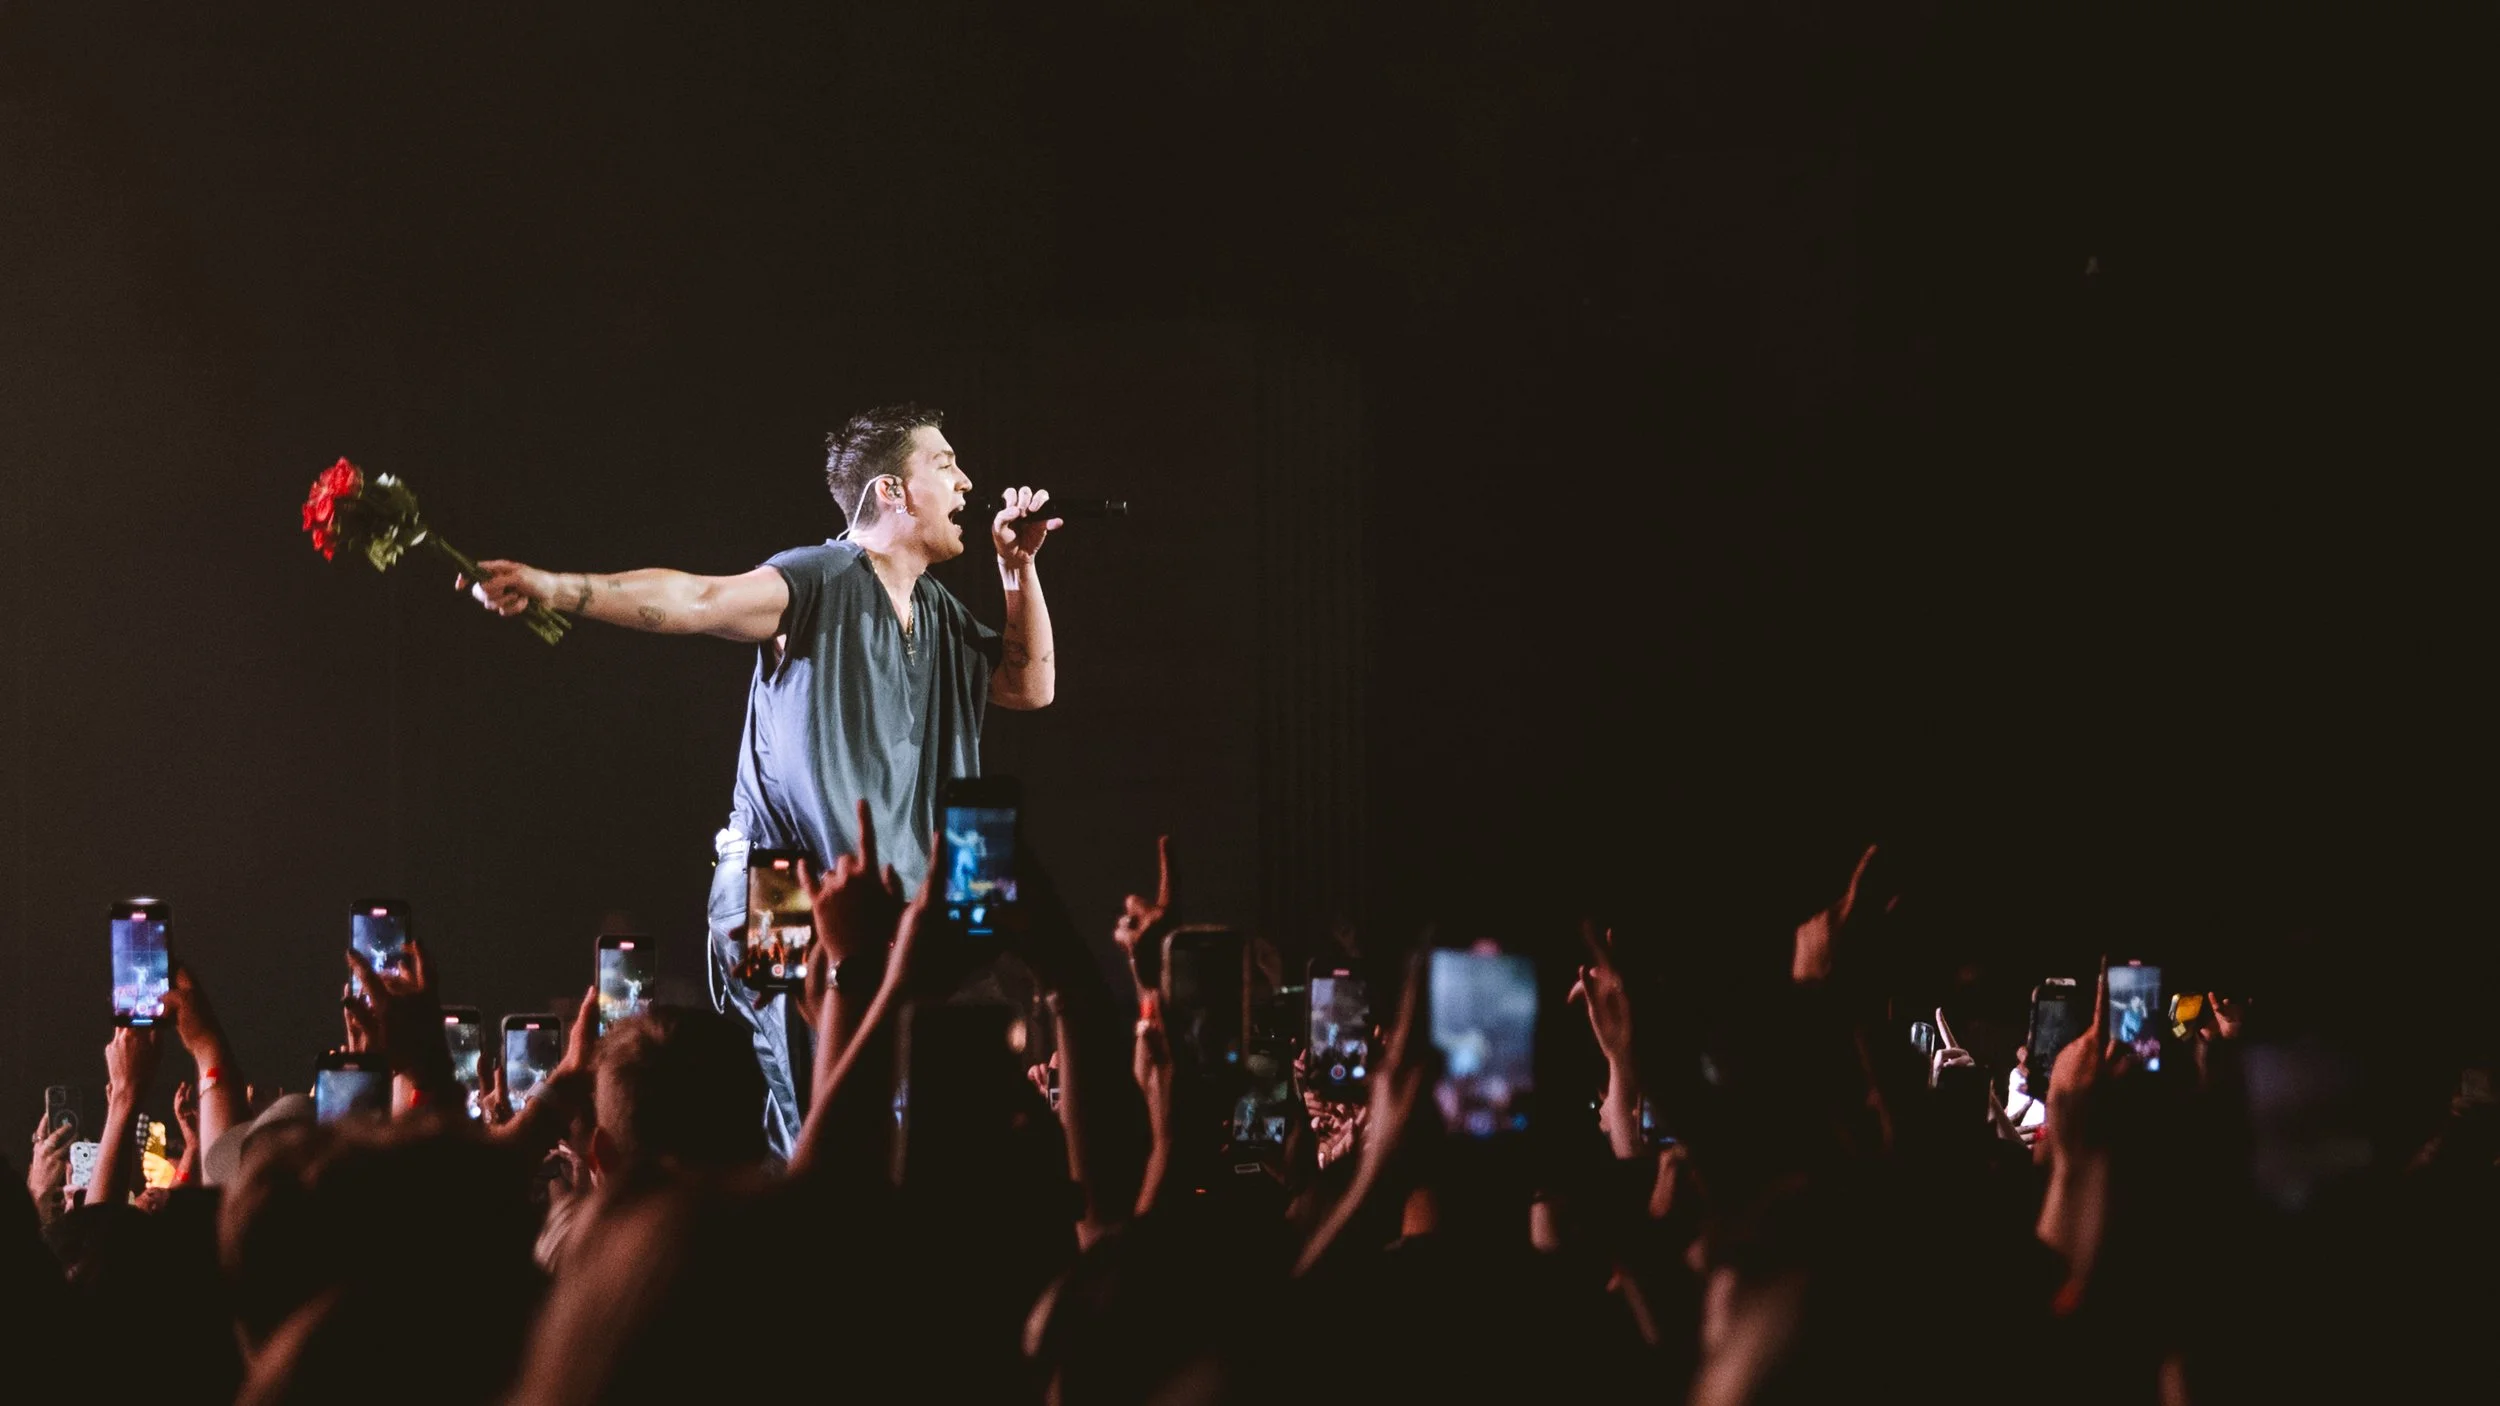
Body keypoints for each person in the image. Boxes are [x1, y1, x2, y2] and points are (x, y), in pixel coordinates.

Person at [461, 404, 1061, 1158]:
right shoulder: (821, 576)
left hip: (888, 910)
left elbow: (1027, 685)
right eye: (945, 465)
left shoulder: (938, 613)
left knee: (901, 1127)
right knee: (813, 1120)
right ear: (891, 493)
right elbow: (697, 600)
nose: (968, 481)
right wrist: (556, 586)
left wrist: (1018, 570)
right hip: (784, 889)